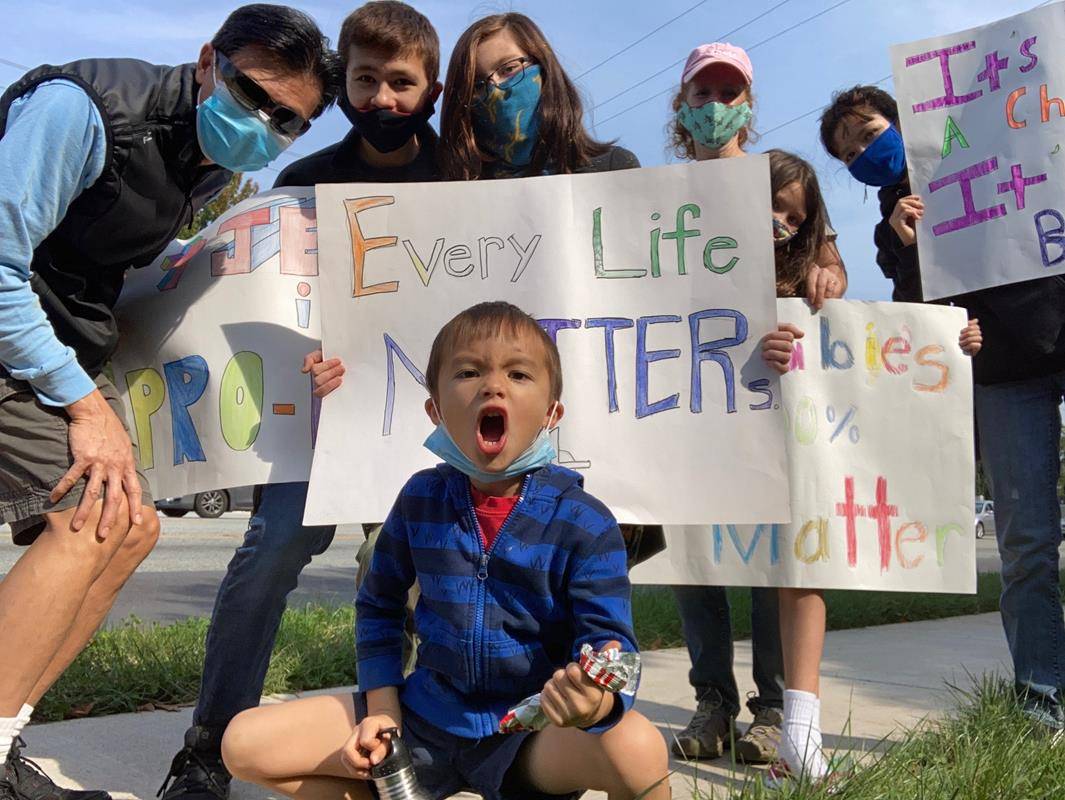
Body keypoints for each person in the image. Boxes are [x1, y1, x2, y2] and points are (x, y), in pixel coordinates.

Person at [0, 6, 334, 800]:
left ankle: (5, 734)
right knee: (92, 519)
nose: (264, 124)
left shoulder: (207, 163)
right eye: (253, 96)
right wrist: (84, 405)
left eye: (289, 121)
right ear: (207, 60)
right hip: (15, 321)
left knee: (132, 527)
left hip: (61, 331)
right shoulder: (84, 110)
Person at [219, 301, 670, 800]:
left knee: (639, 749)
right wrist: (384, 712)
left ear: (551, 413)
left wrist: (597, 701)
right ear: (435, 410)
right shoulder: (420, 499)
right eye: (469, 371)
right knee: (243, 744)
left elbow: (611, 643)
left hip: (528, 740)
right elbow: (378, 604)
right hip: (421, 725)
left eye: (519, 374)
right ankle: (400, 789)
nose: (493, 386)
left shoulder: (586, 521)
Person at [157, 5, 439, 800]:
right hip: (320, 424)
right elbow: (278, 306)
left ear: (431, 89)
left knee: (430, 574)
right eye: (364, 80)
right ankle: (208, 749)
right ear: (342, 87)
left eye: (401, 82)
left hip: (428, 431)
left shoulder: (464, 179)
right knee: (268, 554)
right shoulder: (301, 183)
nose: (382, 97)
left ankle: (419, 741)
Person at [819, 85, 1062, 733]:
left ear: (903, 121)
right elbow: (920, 321)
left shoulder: (1011, 151)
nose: (863, 152)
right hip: (1005, 373)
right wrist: (905, 246)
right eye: (848, 153)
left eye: (869, 133)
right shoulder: (890, 224)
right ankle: (1041, 703)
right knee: (1028, 544)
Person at [663, 42, 845, 765]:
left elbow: (822, 254)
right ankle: (712, 701)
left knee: (773, 549)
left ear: (747, 102)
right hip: (683, 401)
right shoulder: (660, 189)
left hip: (768, 400)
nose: (712, 106)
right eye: (700, 94)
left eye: (725, 92)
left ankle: (771, 709)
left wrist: (826, 272)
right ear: (681, 107)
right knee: (693, 554)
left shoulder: (779, 180)